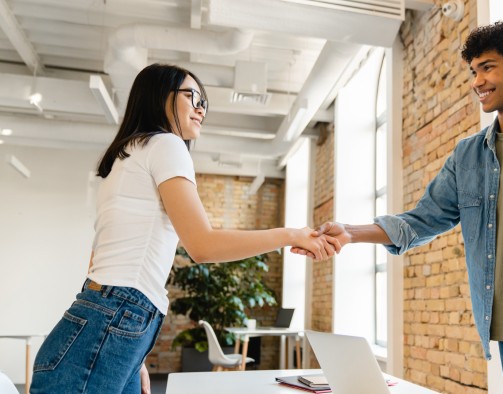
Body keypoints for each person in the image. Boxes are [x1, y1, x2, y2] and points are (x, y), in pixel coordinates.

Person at [293, 20, 503, 393]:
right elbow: (422, 220)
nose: (477, 81)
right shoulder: (468, 155)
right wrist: (351, 233)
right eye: (474, 71)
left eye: (487, 67)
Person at [30, 63, 340, 394]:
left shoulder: (130, 154)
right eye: (191, 95)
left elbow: (101, 262)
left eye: (203, 100)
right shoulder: (165, 144)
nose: (200, 107)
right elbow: (202, 245)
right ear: (158, 96)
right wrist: (290, 235)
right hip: (115, 318)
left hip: (110, 318)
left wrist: (134, 356)